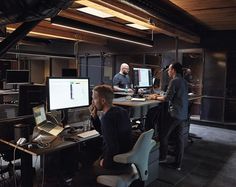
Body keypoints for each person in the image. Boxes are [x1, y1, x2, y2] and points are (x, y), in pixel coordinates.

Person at [147, 62, 188, 170]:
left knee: (163, 135)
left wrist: (154, 97)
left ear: (173, 70)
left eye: (169, 70)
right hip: (182, 114)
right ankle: (177, 164)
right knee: (179, 139)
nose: (168, 72)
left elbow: (167, 99)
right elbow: (173, 95)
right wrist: (162, 95)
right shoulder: (183, 81)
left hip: (174, 114)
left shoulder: (174, 81)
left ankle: (163, 157)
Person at [90, 84, 132, 175]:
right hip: (126, 158)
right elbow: (105, 133)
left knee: (87, 172)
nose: (93, 102)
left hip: (116, 162)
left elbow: (113, 148)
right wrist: (95, 117)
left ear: (103, 100)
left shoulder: (107, 118)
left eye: (94, 98)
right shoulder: (122, 111)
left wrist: (105, 163)